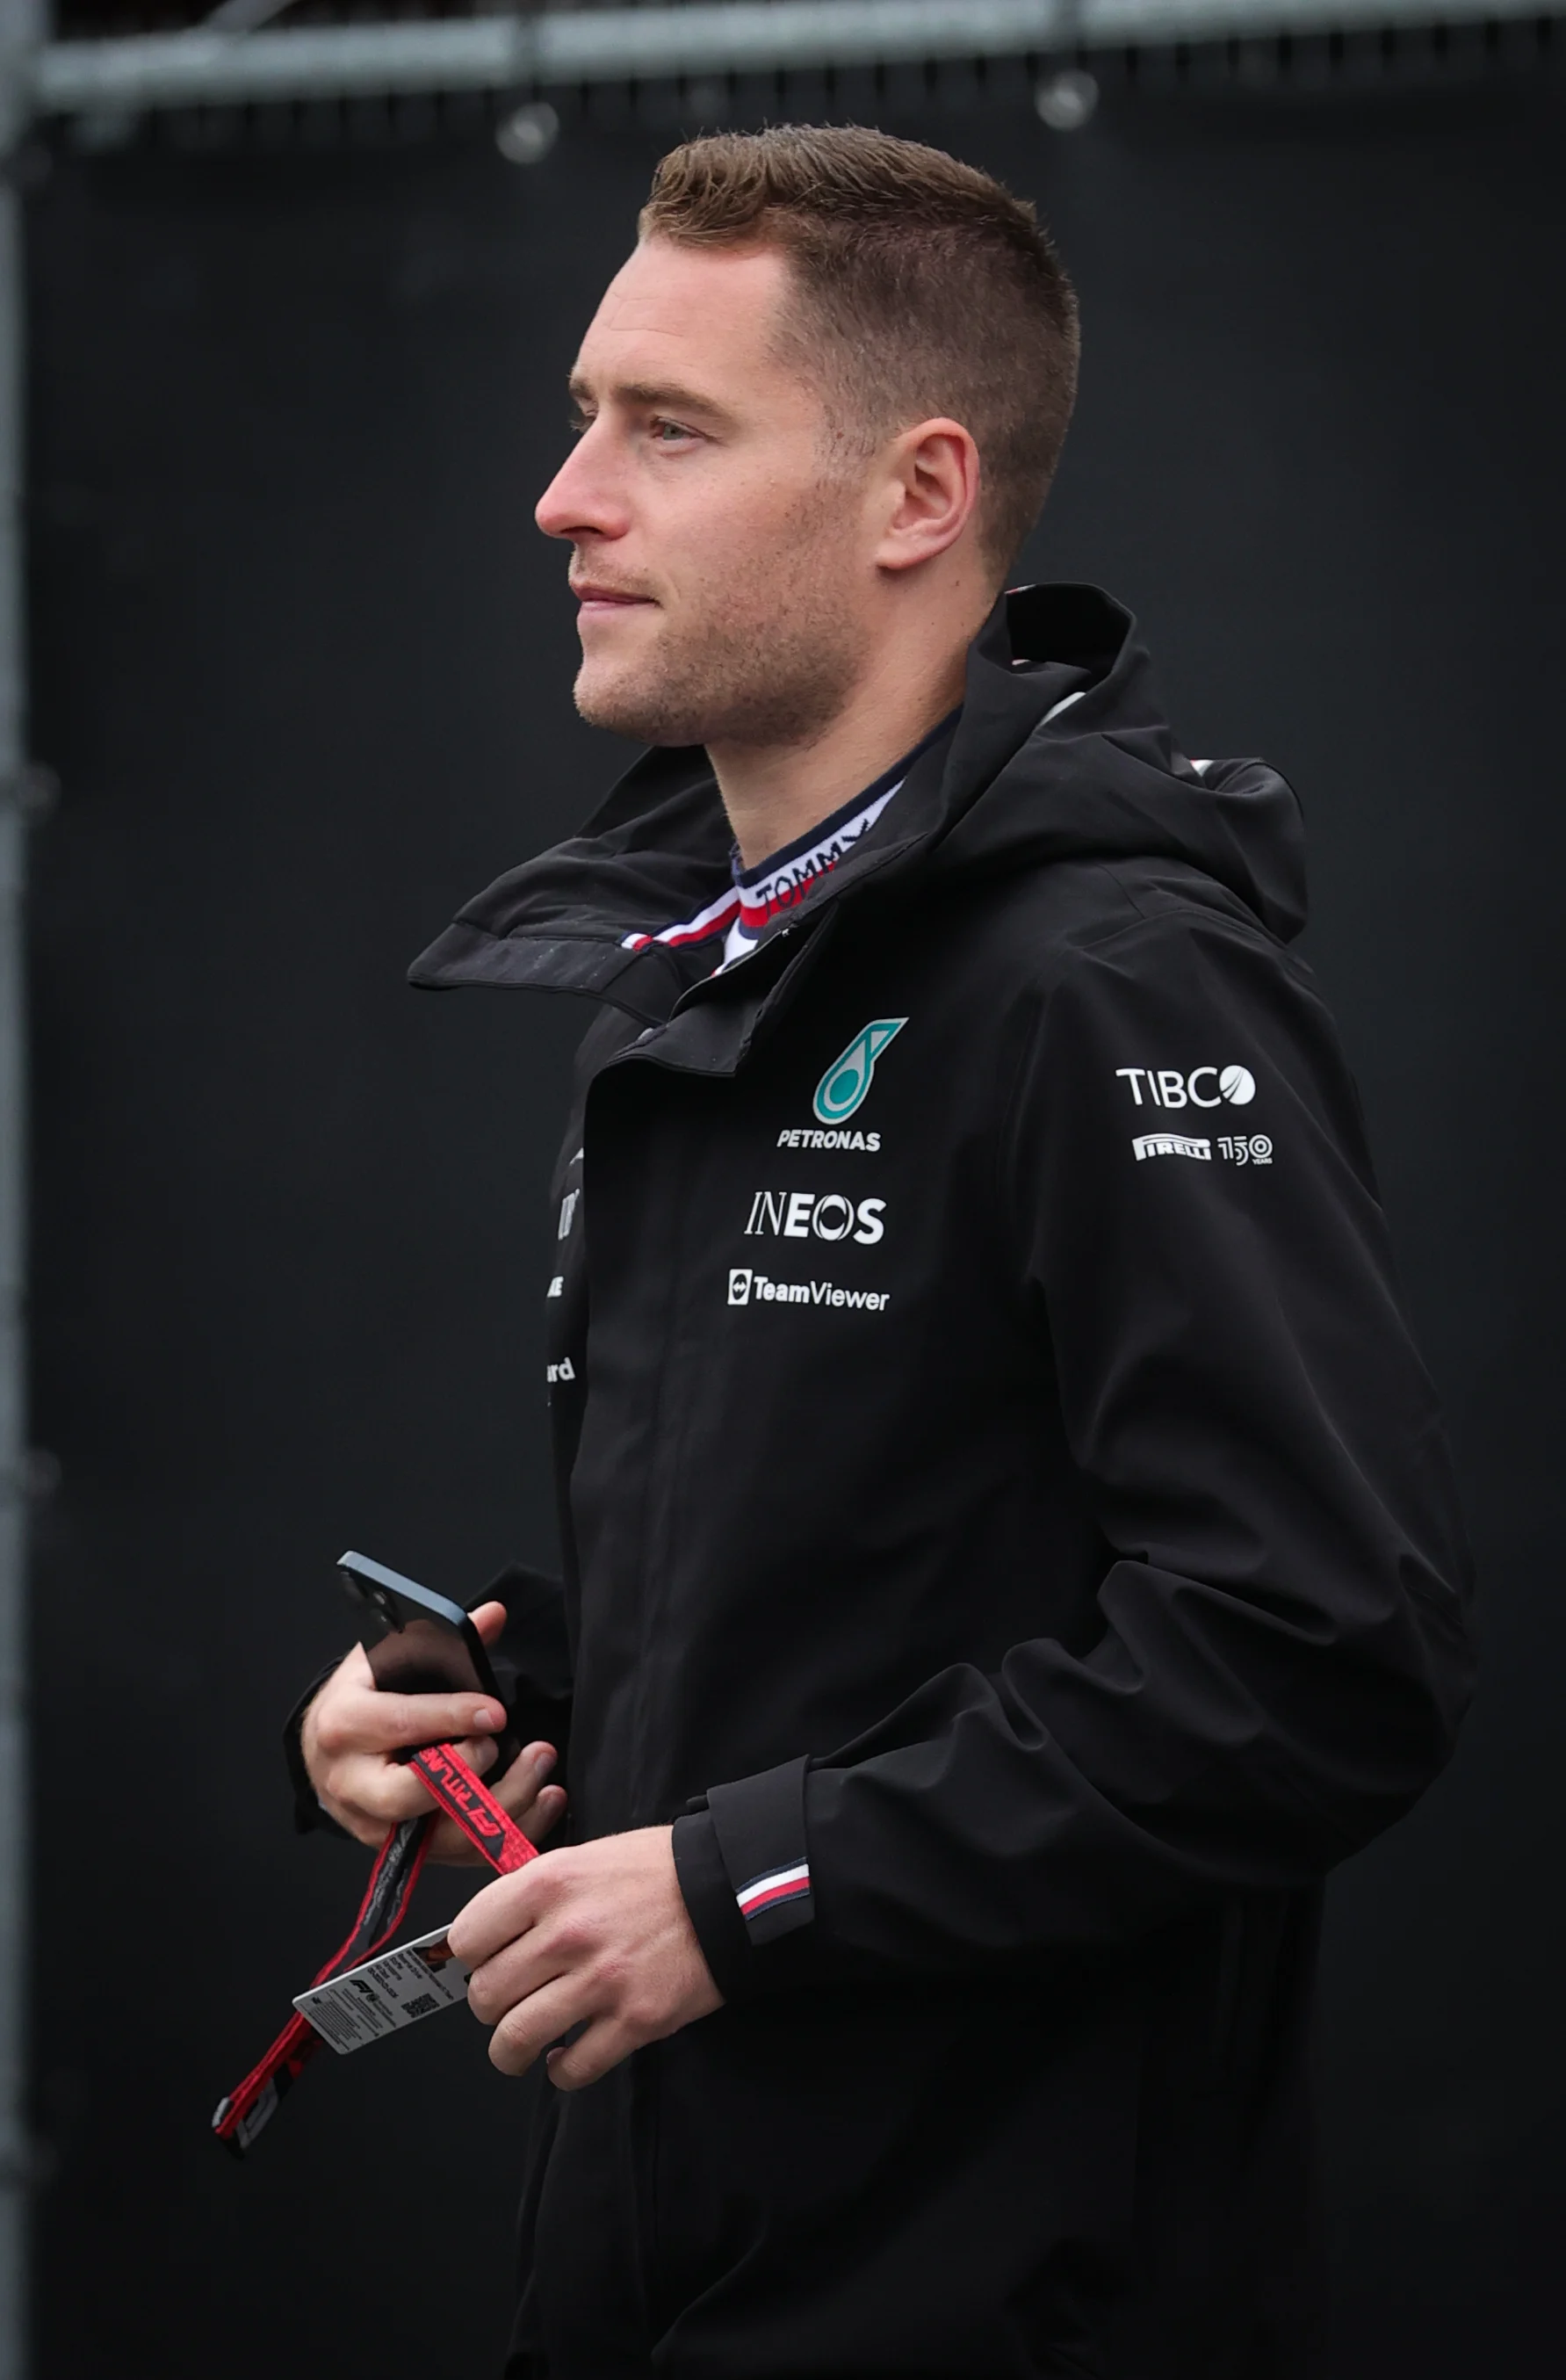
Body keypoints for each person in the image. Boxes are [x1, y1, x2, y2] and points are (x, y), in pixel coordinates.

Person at [291, 126, 1475, 2378]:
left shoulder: (1110, 977)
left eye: (666, 428)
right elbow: (854, 1587)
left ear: (919, 494)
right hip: (656, 2274)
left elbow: (1320, 1655)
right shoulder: (715, 972)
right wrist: (494, 1704)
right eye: (577, 413)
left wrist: (740, 1890)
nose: (565, 495)